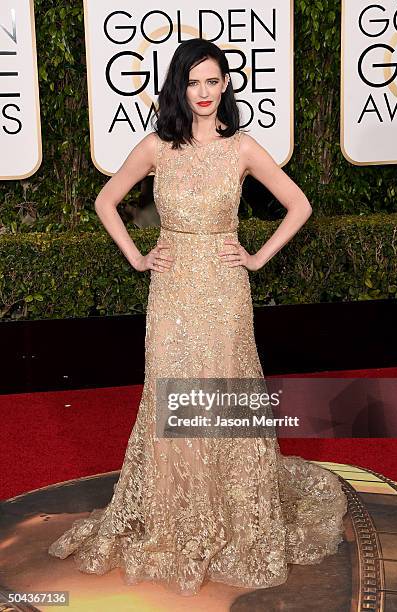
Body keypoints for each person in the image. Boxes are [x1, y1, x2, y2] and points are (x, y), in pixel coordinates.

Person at [48, 38, 347, 597]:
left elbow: (299, 204)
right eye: (194, 82)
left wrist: (257, 256)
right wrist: (139, 256)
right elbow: (105, 200)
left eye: (213, 81)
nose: (204, 93)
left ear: (226, 85)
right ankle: (176, 517)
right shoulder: (158, 148)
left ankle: (232, 513)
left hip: (225, 291)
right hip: (172, 291)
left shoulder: (243, 149)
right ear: (179, 88)